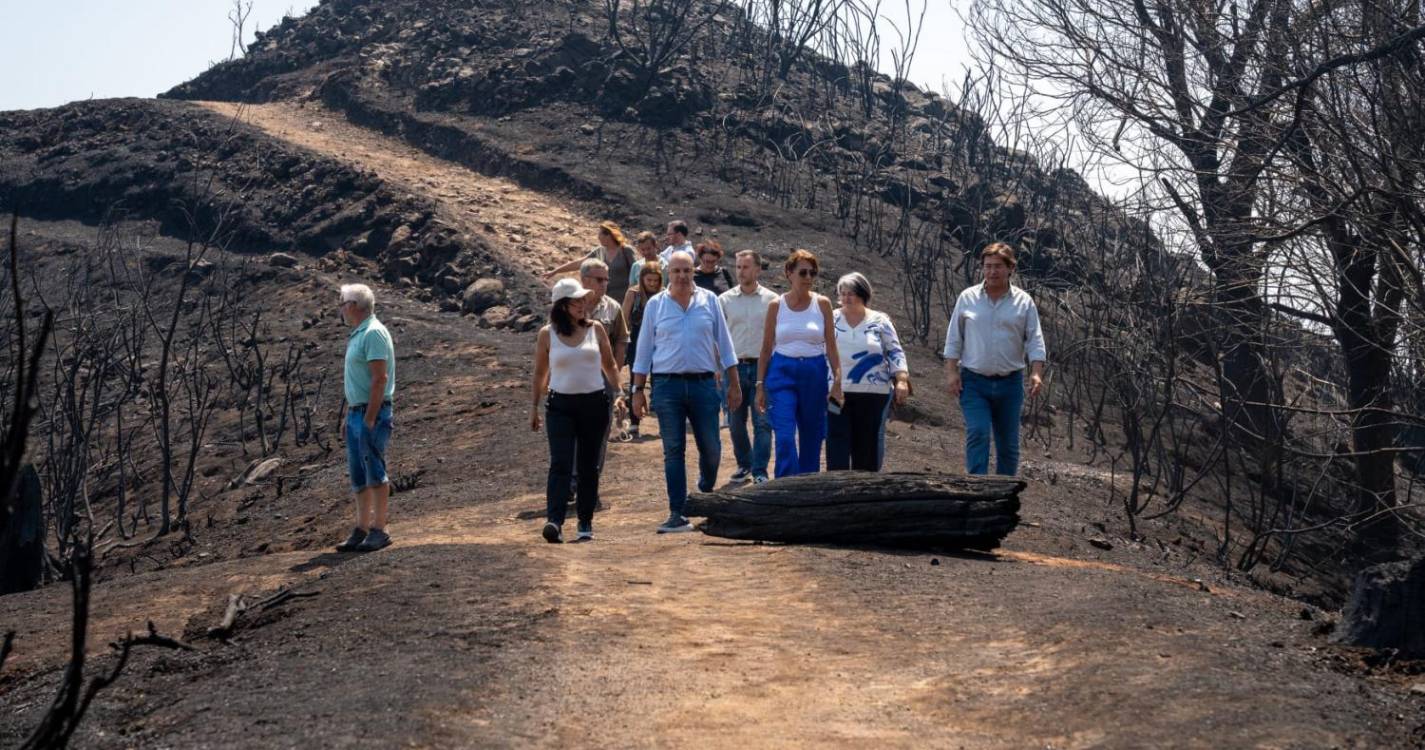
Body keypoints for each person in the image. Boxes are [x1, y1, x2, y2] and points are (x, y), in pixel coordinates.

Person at [631, 253, 741, 533]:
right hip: (667, 386)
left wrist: (734, 383)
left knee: (712, 448)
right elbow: (643, 351)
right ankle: (677, 512)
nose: (682, 276)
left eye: (687, 270)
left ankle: (704, 488)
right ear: (669, 272)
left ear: (694, 272)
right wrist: (637, 390)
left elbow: (725, 345)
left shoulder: (709, 300)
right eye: (677, 270)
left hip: (705, 385)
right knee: (673, 450)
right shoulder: (656, 305)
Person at [531, 278, 624, 543]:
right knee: (560, 463)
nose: (584, 304)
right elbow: (539, 373)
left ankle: (585, 520)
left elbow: (610, 366)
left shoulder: (596, 330)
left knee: (588, 465)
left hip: (593, 404)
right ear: (562, 305)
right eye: (577, 301)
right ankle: (555, 521)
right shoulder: (547, 334)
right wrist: (534, 408)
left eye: (584, 300)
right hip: (560, 405)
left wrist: (619, 394)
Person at [943, 242, 1047, 476]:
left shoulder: (1024, 302)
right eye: (988, 266)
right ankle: (978, 489)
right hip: (974, 381)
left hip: (1010, 383)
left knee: (1008, 444)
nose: (992, 271)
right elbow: (954, 338)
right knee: (978, 433)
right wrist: (951, 372)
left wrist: (1037, 373)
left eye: (998, 266)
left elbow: (1035, 340)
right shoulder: (968, 298)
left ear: (1010, 268)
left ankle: (1004, 495)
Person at [755, 250, 842, 478]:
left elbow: (831, 347)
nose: (808, 277)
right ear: (789, 273)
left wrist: (837, 381)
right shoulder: (776, 305)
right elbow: (765, 349)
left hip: (814, 373)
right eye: (802, 272)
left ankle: (807, 488)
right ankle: (784, 486)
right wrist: (759, 385)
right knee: (784, 437)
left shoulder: (822, 304)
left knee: (812, 436)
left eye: (812, 273)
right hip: (782, 372)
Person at [826, 272, 911, 472]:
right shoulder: (831, 318)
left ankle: (865, 494)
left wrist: (901, 380)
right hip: (838, 391)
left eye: (851, 293)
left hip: (874, 393)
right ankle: (835, 492)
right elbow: (821, 351)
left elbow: (895, 351)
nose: (846, 298)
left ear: (863, 294)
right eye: (843, 293)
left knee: (866, 445)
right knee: (837, 442)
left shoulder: (880, 320)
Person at [336, 283, 397, 553]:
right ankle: (361, 527)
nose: (340, 308)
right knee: (359, 474)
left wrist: (370, 417)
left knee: (374, 469)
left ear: (354, 305)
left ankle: (380, 528)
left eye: (343, 302)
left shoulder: (372, 333)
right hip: (357, 412)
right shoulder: (359, 333)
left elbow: (379, 378)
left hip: (370, 412)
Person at [719, 250, 777, 483]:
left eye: (746, 267)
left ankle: (760, 470)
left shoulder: (772, 300)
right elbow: (719, 336)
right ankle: (745, 463)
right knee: (735, 421)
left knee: (763, 421)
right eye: (738, 267)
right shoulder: (725, 300)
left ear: (757, 269)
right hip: (734, 368)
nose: (741, 272)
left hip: (764, 367)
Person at [544, 221, 637, 303]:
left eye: (600, 234)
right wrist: (556, 271)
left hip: (625, 300)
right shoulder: (599, 251)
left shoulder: (626, 250)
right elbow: (580, 263)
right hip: (605, 299)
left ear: (609, 235)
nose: (598, 237)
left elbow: (636, 272)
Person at [622, 261, 664, 438]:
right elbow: (624, 318)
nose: (652, 284)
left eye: (655, 280)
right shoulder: (634, 294)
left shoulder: (664, 295)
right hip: (637, 342)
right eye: (649, 280)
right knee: (635, 381)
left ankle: (664, 422)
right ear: (642, 279)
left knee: (660, 381)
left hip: (660, 342)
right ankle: (634, 422)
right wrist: (623, 342)